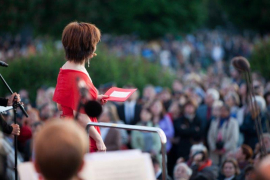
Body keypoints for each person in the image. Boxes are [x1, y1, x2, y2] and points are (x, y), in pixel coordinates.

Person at [53, 22, 107, 152]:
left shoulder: (65, 68)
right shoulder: (78, 75)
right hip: (83, 137)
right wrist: (99, 139)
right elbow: (81, 117)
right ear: (87, 46)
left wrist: (92, 99)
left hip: (68, 132)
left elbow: (61, 106)